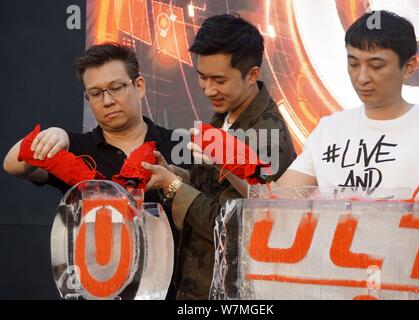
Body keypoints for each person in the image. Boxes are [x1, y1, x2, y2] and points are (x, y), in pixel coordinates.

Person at [142, 14, 297, 299]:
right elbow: (211, 187)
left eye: (219, 80)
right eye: (202, 77)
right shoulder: (225, 112)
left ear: (252, 75)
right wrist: (173, 174)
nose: (208, 89)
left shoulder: (266, 136)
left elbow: (229, 224)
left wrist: (171, 186)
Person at [274, 10, 419, 197]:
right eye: (354, 64)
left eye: (376, 66)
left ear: (408, 67)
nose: (362, 78)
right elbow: (278, 199)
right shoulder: (329, 129)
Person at [3, 43, 186, 204]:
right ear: (87, 99)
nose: (107, 101)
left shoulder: (179, 144)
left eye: (115, 88)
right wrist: (56, 134)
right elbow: (13, 164)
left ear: (139, 86)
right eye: (96, 93)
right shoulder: (74, 148)